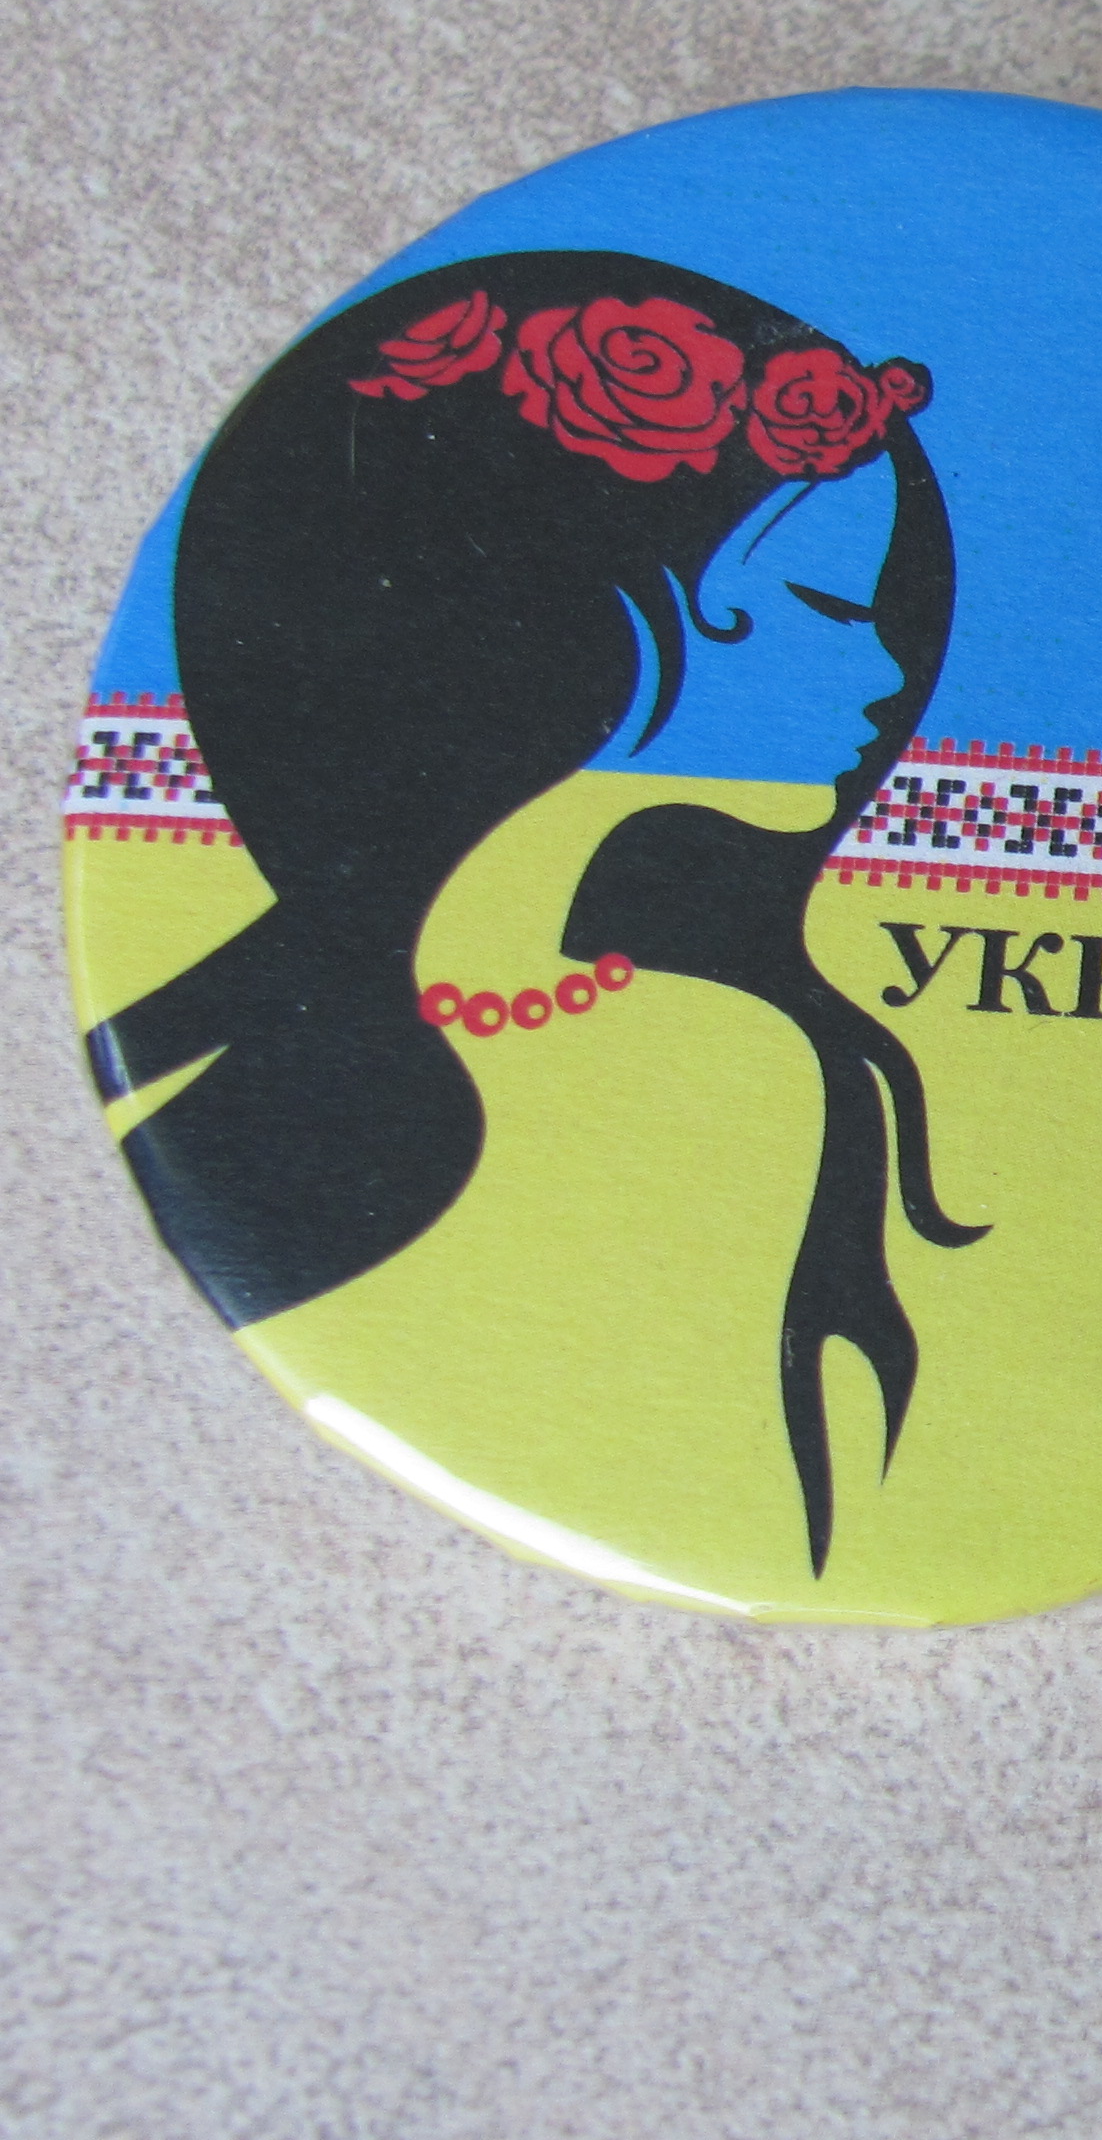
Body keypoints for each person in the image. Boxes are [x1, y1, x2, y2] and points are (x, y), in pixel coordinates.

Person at [87, 252, 982, 1573]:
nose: (890, 662)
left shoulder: (762, 1066)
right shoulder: (738, 1070)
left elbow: (776, 1538)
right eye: (834, 604)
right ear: (640, 610)